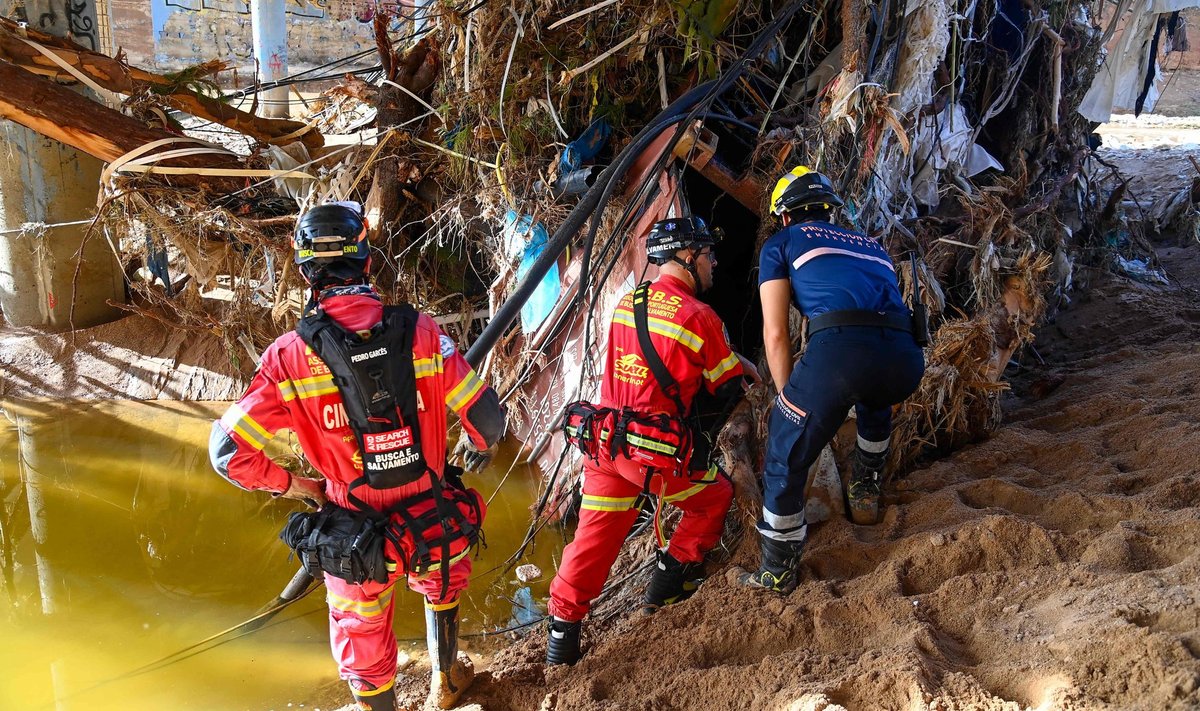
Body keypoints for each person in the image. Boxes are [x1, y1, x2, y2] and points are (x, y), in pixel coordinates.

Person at [208, 203, 505, 710]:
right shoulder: (424, 331)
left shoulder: (289, 356)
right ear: (365, 261)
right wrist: (472, 448)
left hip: (353, 526)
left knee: (361, 633)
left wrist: (296, 486)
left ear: (305, 271)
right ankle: (446, 680)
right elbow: (488, 421)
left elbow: (227, 452)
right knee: (443, 576)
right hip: (430, 512)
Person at [547, 215, 757, 665]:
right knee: (715, 495)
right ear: (687, 256)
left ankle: (559, 647)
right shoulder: (701, 316)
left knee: (591, 545)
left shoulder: (630, 303)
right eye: (708, 253)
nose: (715, 262)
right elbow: (726, 386)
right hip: (653, 456)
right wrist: (739, 363)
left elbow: (654, 353)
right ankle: (665, 590)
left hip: (605, 445)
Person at [741, 166, 926, 594]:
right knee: (873, 393)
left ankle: (777, 570)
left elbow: (775, 334)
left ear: (785, 215)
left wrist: (790, 402)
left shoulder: (781, 243)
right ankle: (865, 487)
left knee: (784, 450)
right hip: (904, 359)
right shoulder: (871, 245)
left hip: (840, 353)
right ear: (829, 210)